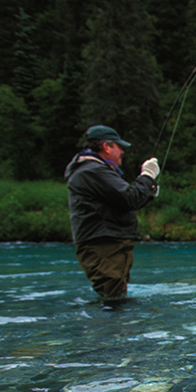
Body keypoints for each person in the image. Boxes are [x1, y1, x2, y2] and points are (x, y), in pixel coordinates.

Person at [65, 125, 160, 307]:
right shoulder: (92, 170)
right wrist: (148, 176)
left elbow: (121, 201)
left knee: (115, 298)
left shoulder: (90, 169)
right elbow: (130, 198)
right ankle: (110, 334)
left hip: (105, 244)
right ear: (106, 147)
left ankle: (114, 333)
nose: (122, 151)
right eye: (118, 146)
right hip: (103, 245)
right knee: (114, 301)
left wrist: (148, 191)